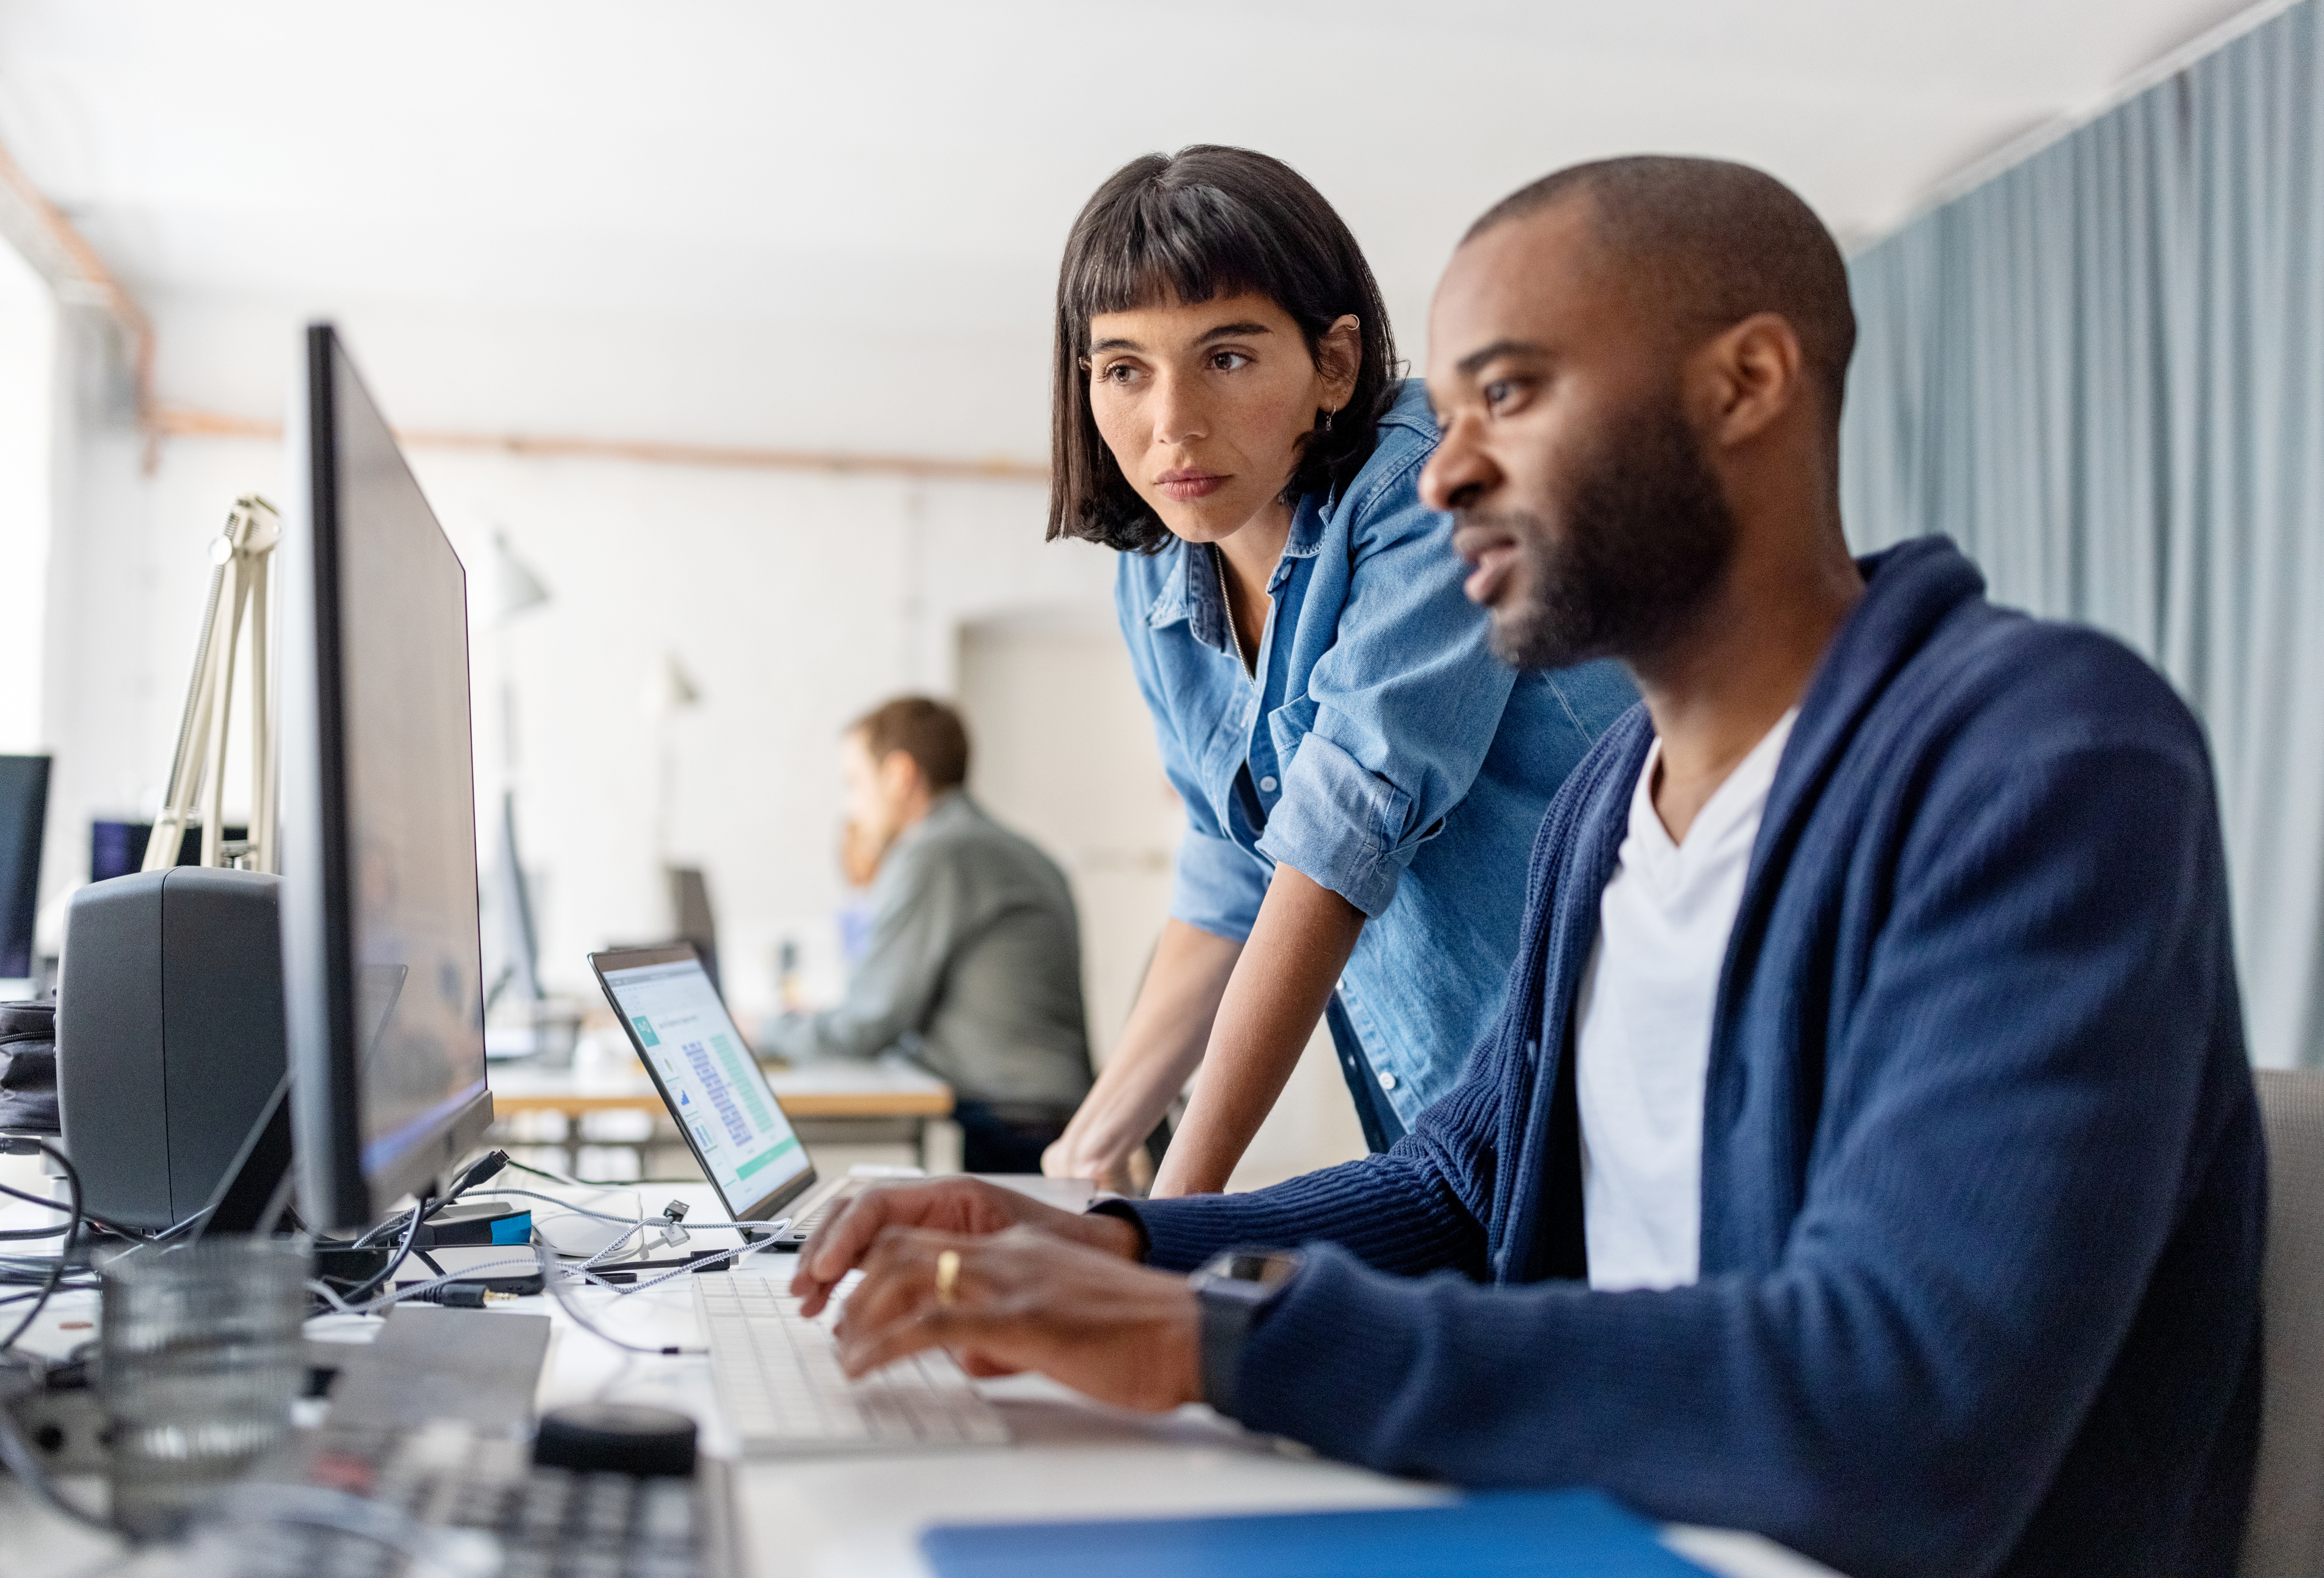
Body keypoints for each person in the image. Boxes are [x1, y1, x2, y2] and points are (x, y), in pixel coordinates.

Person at [789, 158, 2265, 1578]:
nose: (1443, 473)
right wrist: (1112, 1241)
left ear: (1744, 385)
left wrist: (1216, 1340)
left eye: (1503, 393)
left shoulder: (2043, 763)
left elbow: (1897, 1410)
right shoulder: (1609, 803)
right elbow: (1454, 1187)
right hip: (1608, 1508)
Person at [1040, 145, 1637, 1195]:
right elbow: (1233, 873)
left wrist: (1170, 1216)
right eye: (1124, 368)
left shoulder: (1435, 492)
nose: (1170, 422)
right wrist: (1091, 1150)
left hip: (1629, 1086)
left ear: (1336, 364)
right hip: (1461, 1128)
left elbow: (1336, 835)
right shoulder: (1157, 572)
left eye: (1226, 357)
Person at [757, 697, 1092, 1173]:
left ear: (899, 775)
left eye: (854, 783)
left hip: (1007, 1124)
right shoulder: (1010, 847)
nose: (851, 806)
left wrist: (767, 1028)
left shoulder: (936, 854)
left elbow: (867, 1025)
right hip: (1047, 1115)